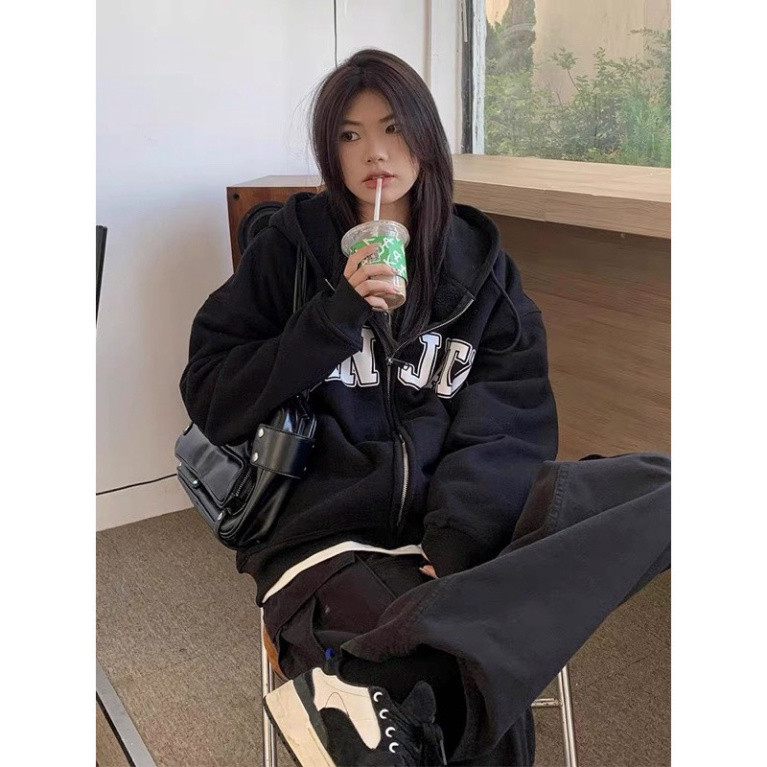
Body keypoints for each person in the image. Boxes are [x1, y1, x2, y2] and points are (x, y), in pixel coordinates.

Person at [180, 49, 670, 767]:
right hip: (329, 539)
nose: (374, 153)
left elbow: (512, 420)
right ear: (329, 152)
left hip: (456, 540)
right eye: (349, 135)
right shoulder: (287, 255)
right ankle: (397, 674)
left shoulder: (483, 273)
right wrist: (332, 318)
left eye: (393, 128)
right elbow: (213, 395)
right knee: (477, 699)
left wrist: (460, 538)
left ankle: (362, 688)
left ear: (425, 138)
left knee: (664, 490)